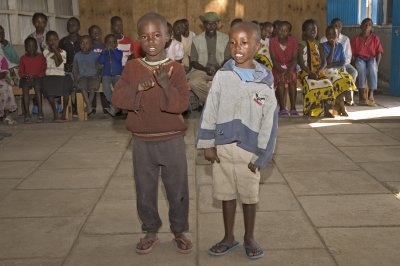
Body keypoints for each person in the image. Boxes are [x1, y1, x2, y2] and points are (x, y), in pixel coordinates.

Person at [111, 12, 191, 255]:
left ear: (167, 37)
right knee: (144, 189)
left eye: (157, 35)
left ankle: (179, 230)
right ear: (139, 40)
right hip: (142, 142)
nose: (151, 41)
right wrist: (137, 88)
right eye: (145, 36)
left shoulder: (176, 69)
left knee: (177, 188)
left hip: (172, 140)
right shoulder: (133, 67)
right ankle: (150, 230)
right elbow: (117, 98)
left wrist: (165, 86)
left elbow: (183, 105)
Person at [197, 21, 277, 259]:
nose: (237, 47)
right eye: (233, 42)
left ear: (258, 45)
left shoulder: (264, 80)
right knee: (225, 194)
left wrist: (262, 155)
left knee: (250, 196)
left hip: (249, 151)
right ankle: (228, 236)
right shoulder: (223, 75)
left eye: (244, 42)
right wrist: (207, 143)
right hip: (222, 149)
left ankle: (249, 237)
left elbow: (269, 122)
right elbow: (209, 109)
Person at [188, 11, 230, 106]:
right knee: (193, 82)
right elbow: (193, 61)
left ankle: (208, 103)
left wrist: (219, 68)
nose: (211, 26)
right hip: (202, 69)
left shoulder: (225, 38)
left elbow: (228, 58)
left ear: (217, 25)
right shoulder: (196, 40)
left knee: (231, 81)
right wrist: (205, 69)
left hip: (221, 68)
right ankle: (214, 102)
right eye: (208, 24)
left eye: (214, 24)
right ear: (204, 25)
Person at [298, 19, 335, 118]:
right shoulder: (302, 45)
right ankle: (309, 110)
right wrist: (310, 72)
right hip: (306, 71)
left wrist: (318, 71)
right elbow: (301, 64)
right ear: (304, 32)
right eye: (309, 29)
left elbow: (324, 62)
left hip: (318, 72)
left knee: (328, 84)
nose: (313, 31)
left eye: (314, 28)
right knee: (311, 84)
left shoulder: (320, 45)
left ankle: (328, 110)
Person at [320, 18, 357, 106]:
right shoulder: (323, 43)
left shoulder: (342, 43)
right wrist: (332, 48)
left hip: (341, 67)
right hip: (329, 69)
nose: (331, 37)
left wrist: (332, 64)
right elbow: (326, 62)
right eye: (329, 34)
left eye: (339, 26)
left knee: (349, 76)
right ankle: (339, 100)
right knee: (338, 79)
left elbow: (344, 60)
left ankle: (347, 98)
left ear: (337, 34)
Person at [351, 18, 383, 106]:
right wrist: (354, 63)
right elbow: (353, 54)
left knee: (373, 66)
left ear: (372, 28)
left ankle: (371, 93)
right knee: (360, 67)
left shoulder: (375, 38)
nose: (367, 27)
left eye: (369, 25)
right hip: (360, 58)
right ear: (361, 27)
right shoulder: (356, 39)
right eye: (365, 25)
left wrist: (377, 64)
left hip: (371, 58)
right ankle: (362, 93)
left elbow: (379, 52)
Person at [42, 31, 73, 122]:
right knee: (49, 94)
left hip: (61, 76)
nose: (53, 42)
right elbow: (56, 62)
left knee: (66, 93)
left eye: (55, 39)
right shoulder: (45, 52)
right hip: (50, 76)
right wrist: (54, 50)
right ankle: (55, 114)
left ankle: (63, 114)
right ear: (47, 42)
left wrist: (56, 50)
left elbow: (59, 62)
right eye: (50, 40)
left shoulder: (64, 52)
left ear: (58, 40)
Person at [269, 21, 298, 116]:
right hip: (277, 68)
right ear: (277, 30)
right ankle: (282, 108)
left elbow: (295, 59)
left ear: (289, 32)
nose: (282, 32)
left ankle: (293, 108)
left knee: (292, 79)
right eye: (280, 30)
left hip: (291, 67)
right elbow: (274, 60)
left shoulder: (293, 41)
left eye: (285, 31)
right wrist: (282, 71)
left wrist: (289, 71)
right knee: (280, 79)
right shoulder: (272, 41)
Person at [18, 37, 46, 123]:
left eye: (33, 46)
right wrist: (25, 76)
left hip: (38, 77)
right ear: (25, 48)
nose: (31, 48)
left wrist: (37, 76)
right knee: (25, 89)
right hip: (26, 78)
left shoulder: (41, 57)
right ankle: (27, 113)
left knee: (38, 87)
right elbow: (21, 71)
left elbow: (43, 69)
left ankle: (40, 112)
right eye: (29, 46)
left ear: (36, 47)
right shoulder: (22, 58)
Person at [72, 35, 100, 117]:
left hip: (93, 76)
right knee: (82, 87)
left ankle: (88, 106)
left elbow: (98, 67)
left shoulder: (95, 55)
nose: (84, 45)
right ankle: (89, 106)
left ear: (91, 45)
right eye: (82, 43)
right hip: (82, 76)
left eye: (87, 43)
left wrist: (97, 75)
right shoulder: (77, 55)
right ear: (79, 45)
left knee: (92, 88)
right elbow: (75, 69)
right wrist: (75, 79)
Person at [59, 17, 81, 117]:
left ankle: (77, 107)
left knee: (79, 82)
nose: (71, 26)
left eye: (74, 24)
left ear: (79, 27)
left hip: (80, 69)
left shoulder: (82, 40)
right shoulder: (63, 42)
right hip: (67, 68)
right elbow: (61, 57)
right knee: (67, 81)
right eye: (69, 24)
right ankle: (69, 106)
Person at [98, 34, 123, 117]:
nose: (111, 44)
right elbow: (101, 61)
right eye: (109, 42)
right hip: (106, 75)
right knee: (105, 89)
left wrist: (113, 50)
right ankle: (115, 105)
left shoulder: (119, 52)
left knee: (118, 89)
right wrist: (104, 52)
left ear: (116, 44)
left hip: (117, 75)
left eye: (113, 42)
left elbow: (118, 58)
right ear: (105, 44)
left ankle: (113, 108)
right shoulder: (104, 53)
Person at [28, 12, 48, 114]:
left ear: (46, 23)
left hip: (48, 65)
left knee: (51, 79)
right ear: (33, 23)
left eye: (43, 22)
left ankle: (57, 102)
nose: (40, 24)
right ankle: (36, 103)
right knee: (36, 81)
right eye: (37, 22)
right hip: (35, 67)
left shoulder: (50, 35)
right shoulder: (30, 37)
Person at [88, 24, 107, 113]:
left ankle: (106, 106)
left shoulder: (104, 46)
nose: (96, 34)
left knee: (104, 89)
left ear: (101, 33)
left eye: (97, 32)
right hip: (93, 72)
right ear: (89, 35)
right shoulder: (89, 47)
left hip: (103, 72)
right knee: (92, 88)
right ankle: (93, 107)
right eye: (93, 33)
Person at [0, 53, 17, 125]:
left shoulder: (1, 58)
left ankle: (5, 114)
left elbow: (4, 72)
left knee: (7, 87)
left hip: (1, 79)